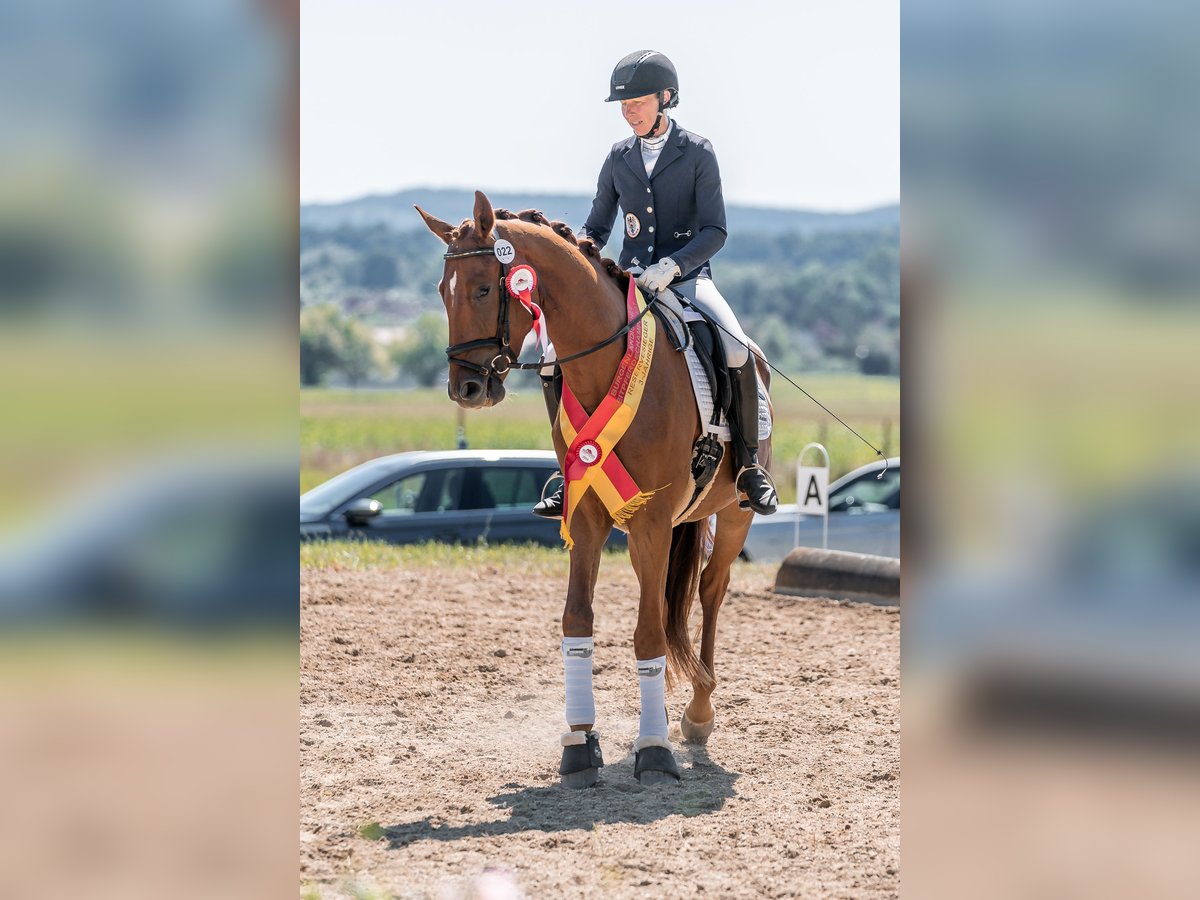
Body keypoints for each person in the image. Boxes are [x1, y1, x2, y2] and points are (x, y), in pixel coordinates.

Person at [533, 49, 778, 518]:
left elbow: (715, 231)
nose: (629, 112)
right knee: (550, 359)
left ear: (666, 99)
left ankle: (748, 468)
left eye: (638, 102)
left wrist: (674, 265)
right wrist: (581, 257)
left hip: (687, 279)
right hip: (630, 281)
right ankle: (568, 469)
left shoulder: (698, 152)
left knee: (737, 350)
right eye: (624, 105)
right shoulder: (618, 156)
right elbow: (597, 227)